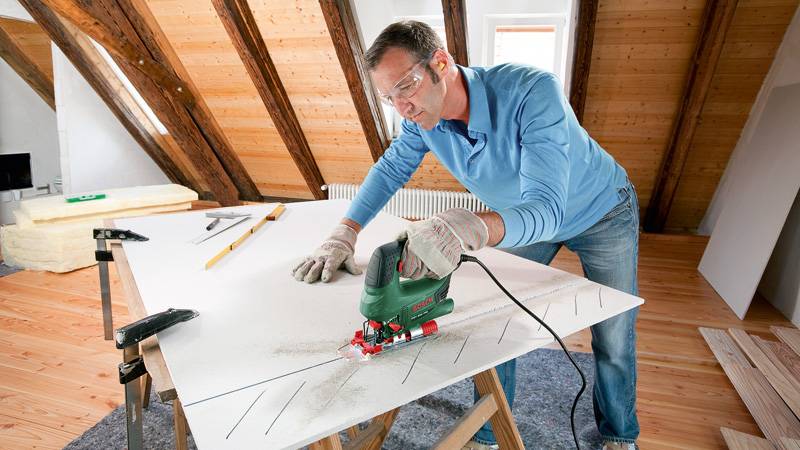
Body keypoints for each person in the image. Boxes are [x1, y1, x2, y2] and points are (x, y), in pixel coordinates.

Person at [292, 20, 639, 450]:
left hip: (602, 211)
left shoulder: (532, 92)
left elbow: (550, 209)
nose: (403, 106)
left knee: (613, 333)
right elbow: (391, 169)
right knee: (498, 318)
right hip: (517, 216)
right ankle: (491, 433)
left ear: (440, 62)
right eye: (390, 97)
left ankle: (619, 434)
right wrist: (345, 231)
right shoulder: (421, 118)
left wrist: (477, 226)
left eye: (407, 86)